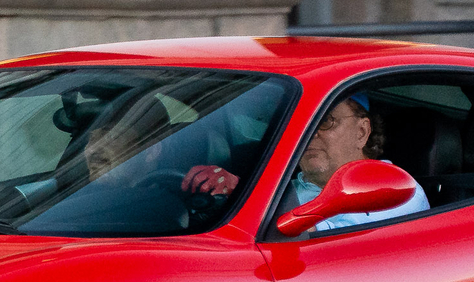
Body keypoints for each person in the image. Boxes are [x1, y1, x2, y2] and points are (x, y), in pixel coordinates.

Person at [179, 92, 427, 233]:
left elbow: (322, 239)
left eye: (326, 120)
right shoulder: (287, 188)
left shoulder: (395, 188)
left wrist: (245, 192)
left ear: (362, 132)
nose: (307, 134)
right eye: (301, 123)